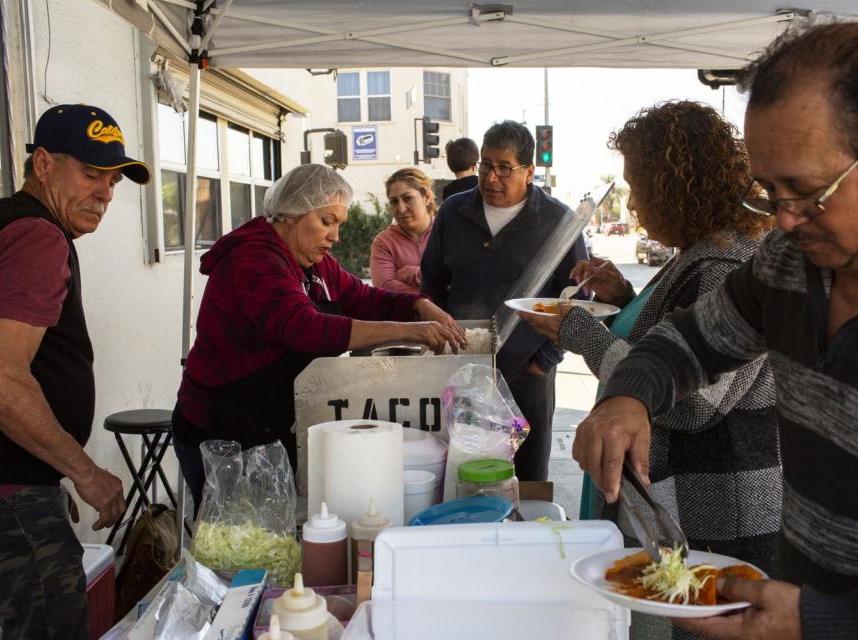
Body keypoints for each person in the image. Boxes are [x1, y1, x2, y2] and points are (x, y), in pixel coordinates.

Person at [574, 21, 858, 640]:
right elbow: (690, 340)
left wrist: (827, 621)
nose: (786, 220)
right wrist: (629, 396)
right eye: (769, 193)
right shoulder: (790, 267)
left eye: (807, 192)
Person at [519, 101, 780, 640]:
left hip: (712, 507)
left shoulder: (727, 261)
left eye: (639, 185)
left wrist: (580, 332)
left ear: (674, 185)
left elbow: (695, 401)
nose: (634, 203)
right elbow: (674, 342)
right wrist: (627, 296)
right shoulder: (703, 251)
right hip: (687, 499)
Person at [173, 164, 464, 506]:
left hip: (267, 421)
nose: (335, 236)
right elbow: (305, 328)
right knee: (237, 541)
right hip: (221, 430)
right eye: (326, 222)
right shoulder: (253, 259)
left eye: (339, 225)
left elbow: (361, 297)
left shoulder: (313, 262)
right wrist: (412, 331)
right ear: (291, 214)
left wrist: (418, 305)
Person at [0, 104, 150, 639]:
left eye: (114, 181)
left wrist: (47, 469)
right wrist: (86, 472)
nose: (105, 193)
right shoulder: (36, 237)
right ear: (43, 164)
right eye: (92, 174)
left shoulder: (5, 224)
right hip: (2, 488)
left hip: (9, 480)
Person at [421, 120, 588, 481]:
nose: (490, 178)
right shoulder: (453, 212)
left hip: (529, 373)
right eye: (485, 165)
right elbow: (432, 282)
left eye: (503, 168)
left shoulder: (559, 221)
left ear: (529, 172)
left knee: (526, 478)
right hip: (464, 370)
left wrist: (543, 362)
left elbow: (577, 301)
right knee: (462, 469)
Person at [370, 167, 436, 293]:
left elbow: (458, 275)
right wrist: (432, 295)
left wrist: (412, 274)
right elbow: (384, 288)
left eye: (408, 198)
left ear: (427, 197)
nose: (401, 209)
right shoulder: (383, 243)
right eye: (394, 201)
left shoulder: (447, 232)